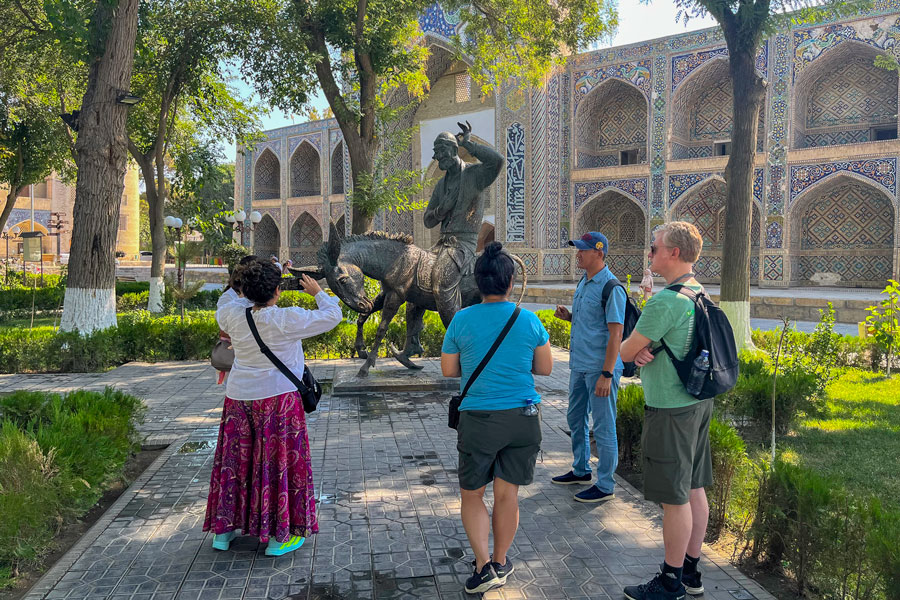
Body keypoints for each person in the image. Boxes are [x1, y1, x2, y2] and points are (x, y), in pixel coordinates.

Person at [203, 261, 342, 556]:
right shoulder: (286, 319)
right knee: (278, 465)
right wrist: (318, 292)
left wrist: (258, 273)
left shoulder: (231, 313)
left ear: (245, 290)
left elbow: (226, 297)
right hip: (278, 401)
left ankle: (223, 533)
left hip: (238, 399)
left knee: (235, 463)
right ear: (277, 291)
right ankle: (280, 538)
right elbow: (333, 315)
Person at [441, 242, 553, 595]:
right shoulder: (528, 319)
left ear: (477, 282)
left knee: (473, 495)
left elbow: (449, 370)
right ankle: (501, 562)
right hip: (524, 418)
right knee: (507, 495)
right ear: (510, 282)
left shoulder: (462, 319)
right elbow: (545, 368)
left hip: (480, 420)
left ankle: (482, 565)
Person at [619, 221, 710, 600]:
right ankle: (690, 571)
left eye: (655, 247)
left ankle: (670, 581)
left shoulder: (665, 301)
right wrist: (644, 348)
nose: (650, 253)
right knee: (693, 488)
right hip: (697, 402)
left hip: (671, 408)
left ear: (674, 253)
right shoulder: (697, 291)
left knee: (675, 498)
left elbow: (625, 351)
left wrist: (635, 348)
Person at [551, 232, 626, 503]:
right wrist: (570, 317)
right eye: (578, 249)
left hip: (599, 369)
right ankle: (581, 470)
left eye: (583, 250)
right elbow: (594, 323)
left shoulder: (612, 287)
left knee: (603, 426)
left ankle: (605, 485)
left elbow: (616, 333)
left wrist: (607, 374)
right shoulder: (584, 282)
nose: (578, 254)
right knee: (575, 417)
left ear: (599, 253)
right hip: (580, 365)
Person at [424, 122, 504, 327]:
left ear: (453, 149)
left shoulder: (474, 175)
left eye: (440, 151)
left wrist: (469, 144)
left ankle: (456, 333)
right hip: (442, 244)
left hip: (463, 245)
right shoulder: (440, 185)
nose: (437, 157)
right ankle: (412, 339)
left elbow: (498, 161)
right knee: (414, 278)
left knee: (441, 281)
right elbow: (427, 220)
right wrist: (441, 210)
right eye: (435, 153)